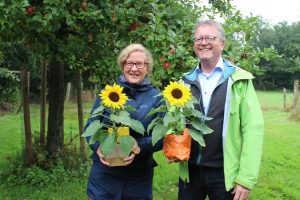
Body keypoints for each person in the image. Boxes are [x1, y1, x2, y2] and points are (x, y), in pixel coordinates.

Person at [179, 20, 264, 200]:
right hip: (190, 171)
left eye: (210, 37)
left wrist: (246, 178)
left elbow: (253, 130)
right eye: (198, 39)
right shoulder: (184, 82)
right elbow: (175, 124)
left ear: (222, 44)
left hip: (225, 174)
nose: (203, 42)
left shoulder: (240, 80)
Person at [85, 44, 163, 200]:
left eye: (139, 64)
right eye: (129, 63)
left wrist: (139, 146)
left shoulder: (157, 98)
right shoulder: (108, 93)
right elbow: (91, 126)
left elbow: (161, 135)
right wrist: (98, 146)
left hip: (138, 175)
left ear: (147, 67)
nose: (134, 69)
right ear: (123, 66)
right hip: (105, 172)